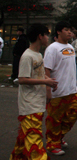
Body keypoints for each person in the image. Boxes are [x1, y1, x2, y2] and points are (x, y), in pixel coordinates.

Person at [9, 24, 58, 160]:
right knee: (33, 137)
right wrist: (45, 82)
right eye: (46, 35)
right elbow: (23, 79)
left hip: (37, 101)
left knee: (24, 138)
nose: (48, 38)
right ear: (40, 36)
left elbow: (39, 74)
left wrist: (49, 80)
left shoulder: (38, 55)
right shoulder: (27, 56)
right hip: (29, 104)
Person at [44, 21, 77, 156]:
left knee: (74, 113)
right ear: (59, 32)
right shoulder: (52, 48)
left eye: (70, 30)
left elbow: (71, 68)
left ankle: (58, 136)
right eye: (66, 30)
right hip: (57, 91)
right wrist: (48, 89)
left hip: (72, 90)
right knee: (54, 118)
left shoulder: (71, 48)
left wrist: (75, 81)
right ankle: (52, 143)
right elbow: (47, 70)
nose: (69, 32)